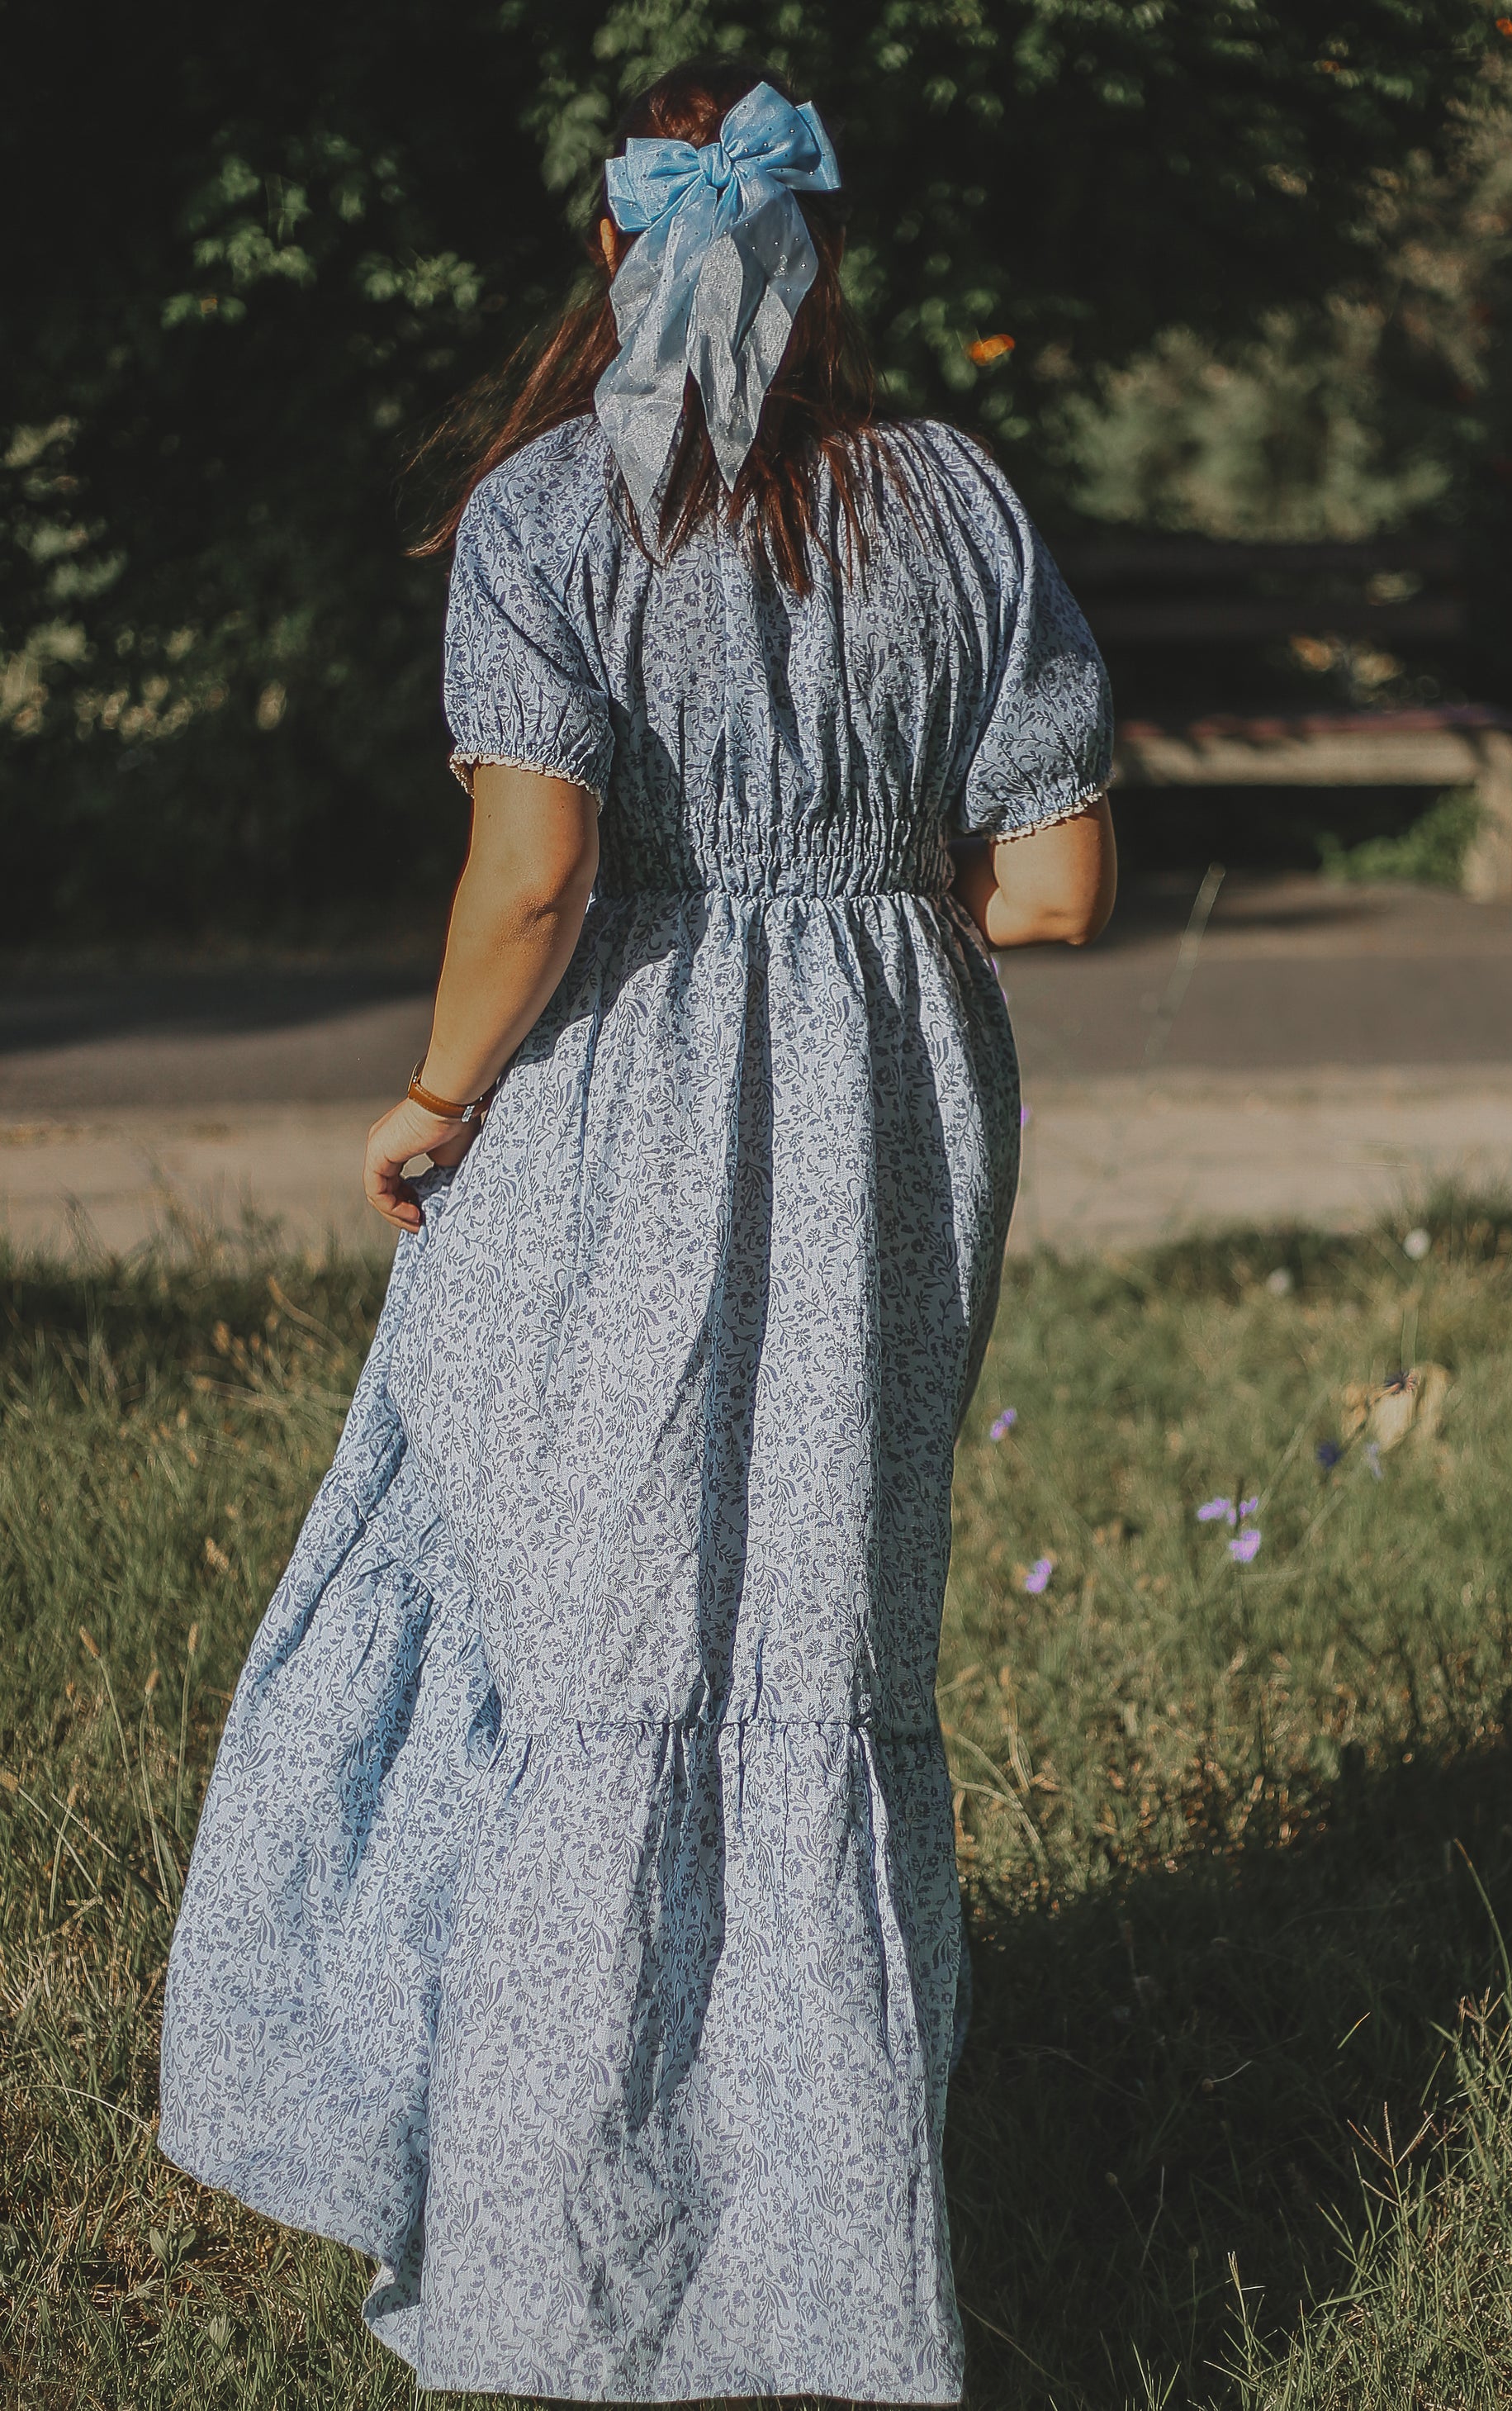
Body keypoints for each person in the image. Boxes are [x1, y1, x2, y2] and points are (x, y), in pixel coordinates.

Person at [159, 57, 1115, 2405]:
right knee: (808, 1636)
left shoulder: (544, 517)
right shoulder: (961, 506)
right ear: (828, 264)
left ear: (616, 256)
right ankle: (816, 2277)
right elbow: (1055, 891)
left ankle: (547, 2267)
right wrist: (854, 894)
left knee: (550, 1632)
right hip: (885, 1123)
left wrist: (429, 1096)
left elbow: (540, 871)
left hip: (613, 1103)